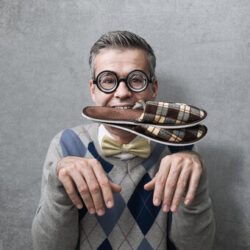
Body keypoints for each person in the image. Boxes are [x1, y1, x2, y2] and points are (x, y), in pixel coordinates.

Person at [32, 31, 215, 250]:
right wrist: (58, 184)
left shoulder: (180, 148)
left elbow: (196, 247)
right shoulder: (66, 145)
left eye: (136, 79)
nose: (122, 92)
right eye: (108, 80)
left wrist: (194, 181)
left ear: (153, 88)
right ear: (93, 89)